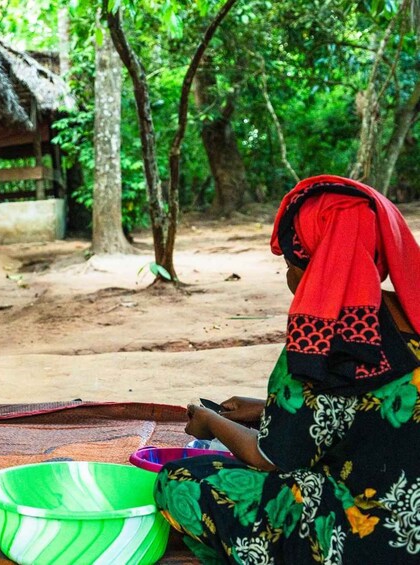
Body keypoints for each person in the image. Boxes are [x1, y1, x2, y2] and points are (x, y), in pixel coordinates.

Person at [156, 175, 420, 564]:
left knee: (179, 481)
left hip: (354, 541)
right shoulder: (411, 315)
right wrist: (267, 408)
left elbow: (270, 458)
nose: (288, 276)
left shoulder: (320, 337)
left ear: (315, 266)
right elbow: (367, 413)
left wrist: (212, 422)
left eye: (290, 264)